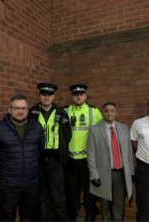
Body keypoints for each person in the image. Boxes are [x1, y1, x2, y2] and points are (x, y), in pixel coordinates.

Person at [0, 93, 45, 221]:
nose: (20, 111)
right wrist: (7, 167)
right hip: (9, 185)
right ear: (9, 110)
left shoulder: (37, 128)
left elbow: (39, 150)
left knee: (28, 217)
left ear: (27, 110)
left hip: (31, 184)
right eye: (16, 108)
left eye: (24, 108)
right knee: (7, 217)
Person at [29, 82, 72, 221]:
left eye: (49, 95)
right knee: (35, 197)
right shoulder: (32, 113)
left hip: (55, 162)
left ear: (54, 96)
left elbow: (67, 135)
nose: (46, 98)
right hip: (37, 162)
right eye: (43, 95)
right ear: (39, 96)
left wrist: (63, 156)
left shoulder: (61, 113)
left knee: (58, 197)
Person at [86, 102, 134, 221]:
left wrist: (131, 172)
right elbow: (91, 155)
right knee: (105, 204)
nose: (109, 113)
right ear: (103, 113)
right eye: (107, 110)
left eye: (112, 110)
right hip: (102, 174)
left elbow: (129, 153)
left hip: (120, 174)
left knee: (119, 204)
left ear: (116, 113)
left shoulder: (124, 128)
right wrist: (94, 175)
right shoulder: (94, 129)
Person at [64, 84, 102, 222]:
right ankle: (73, 213)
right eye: (75, 95)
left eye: (81, 94)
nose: (78, 97)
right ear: (72, 97)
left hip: (87, 159)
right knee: (72, 189)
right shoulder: (65, 111)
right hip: (70, 159)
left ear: (85, 96)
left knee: (89, 190)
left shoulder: (94, 111)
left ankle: (90, 214)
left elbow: (101, 134)